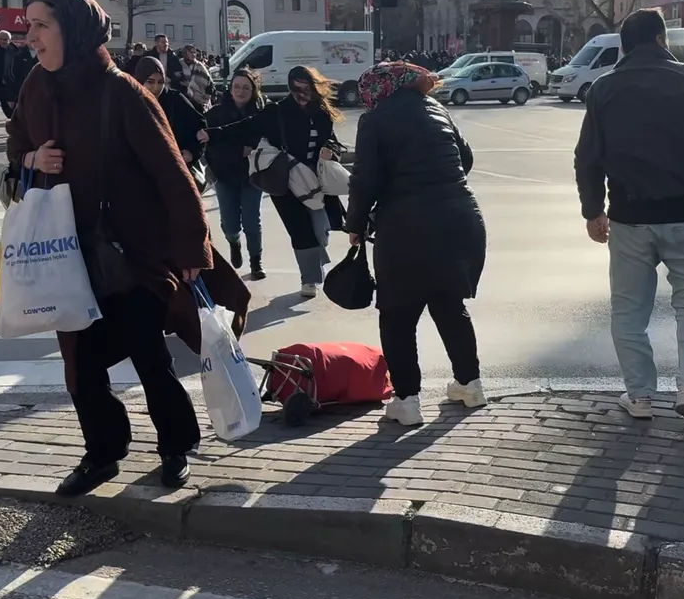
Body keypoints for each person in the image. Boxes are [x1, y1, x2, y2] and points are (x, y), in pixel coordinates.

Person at [4, 0, 251, 497]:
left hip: (134, 255)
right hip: (66, 255)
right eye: (28, 25)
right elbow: (15, 146)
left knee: (148, 356)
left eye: (40, 25)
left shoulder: (122, 93)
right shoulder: (36, 86)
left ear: (72, 29)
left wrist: (191, 254)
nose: (30, 37)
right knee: (83, 367)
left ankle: (175, 447)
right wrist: (32, 161)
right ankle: (102, 454)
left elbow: (174, 176)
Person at [574, 8, 684, 424]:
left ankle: (640, 397)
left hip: (631, 216)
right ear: (660, 40)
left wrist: (594, 210)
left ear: (624, 45)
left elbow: (587, 157)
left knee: (628, 312)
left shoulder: (604, 88)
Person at [346, 62, 488, 427]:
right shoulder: (438, 110)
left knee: (397, 314)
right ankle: (470, 385)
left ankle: (407, 400)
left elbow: (364, 179)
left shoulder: (375, 120)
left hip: (407, 228)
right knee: (448, 303)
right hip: (461, 220)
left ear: (378, 90)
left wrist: (356, 224)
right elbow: (466, 158)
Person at [199, 66, 345, 298]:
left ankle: (314, 265)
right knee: (299, 229)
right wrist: (213, 133)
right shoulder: (276, 111)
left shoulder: (321, 111)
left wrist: (331, 149)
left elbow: (334, 141)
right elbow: (245, 126)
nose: (301, 93)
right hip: (284, 178)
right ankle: (309, 279)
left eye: (306, 87)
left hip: (317, 179)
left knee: (321, 229)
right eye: (296, 87)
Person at [205, 69, 267, 279]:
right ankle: (234, 241)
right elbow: (211, 146)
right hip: (224, 175)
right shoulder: (215, 114)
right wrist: (239, 150)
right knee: (230, 223)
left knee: (252, 220)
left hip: (252, 175)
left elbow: (266, 142)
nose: (241, 91)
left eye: (246, 87)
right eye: (237, 86)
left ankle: (256, 262)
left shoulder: (260, 115)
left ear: (253, 91)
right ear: (230, 89)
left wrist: (252, 149)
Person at [133, 57, 206, 180]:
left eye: (160, 82)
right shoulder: (129, 103)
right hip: (139, 175)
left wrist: (191, 152)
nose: (156, 87)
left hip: (174, 173)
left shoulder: (175, 100)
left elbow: (199, 127)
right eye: (150, 81)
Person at [0, 30, 35, 118]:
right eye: (1, 39)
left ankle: (14, 119)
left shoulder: (16, 50)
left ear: (10, 40)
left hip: (13, 81)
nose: (3, 41)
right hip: (0, 81)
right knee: (4, 103)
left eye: (5, 39)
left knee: (13, 104)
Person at [173, 44, 214, 109]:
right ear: (185, 53)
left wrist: (208, 93)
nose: (193, 54)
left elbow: (209, 81)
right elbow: (176, 80)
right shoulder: (180, 64)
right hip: (184, 97)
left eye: (194, 52)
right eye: (191, 52)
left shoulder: (199, 66)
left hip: (200, 99)